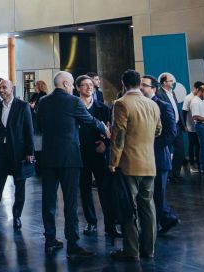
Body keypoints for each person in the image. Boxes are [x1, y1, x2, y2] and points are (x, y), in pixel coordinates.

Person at [37, 71, 106, 257]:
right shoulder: (73, 101)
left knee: (49, 200)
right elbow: (90, 121)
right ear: (67, 84)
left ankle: (50, 239)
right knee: (70, 201)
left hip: (49, 157)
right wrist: (105, 128)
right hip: (69, 157)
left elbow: (41, 126)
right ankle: (73, 243)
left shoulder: (43, 102)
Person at [109, 69, 161, 262]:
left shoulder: (121, 104)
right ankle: (149, 248)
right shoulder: (152, 104)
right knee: (148, 207)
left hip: (129, 164)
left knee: (128, 208)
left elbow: (119, 136)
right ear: (140, 83)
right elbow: (158, 130)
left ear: (123, 84)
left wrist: (113, 161)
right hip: (149, 162)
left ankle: (132, 250)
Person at [0, 79, 35, 231]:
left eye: (5, 87)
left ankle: (17, 216)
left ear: (12, 89)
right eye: (0, 88)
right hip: (0, 153)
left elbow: (28, 130)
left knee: (20, 186)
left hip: (18, 152)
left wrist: (29, 152)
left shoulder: (22, 106)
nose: (2, 90)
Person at [75, 75, 116, 237]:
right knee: (85, 189)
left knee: (105, 189)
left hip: (99, 152)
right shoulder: (74, 107)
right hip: (81, 153)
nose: (89, 87)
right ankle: (91, 222)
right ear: (78, 88)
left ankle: (110, 224)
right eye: (85, 85)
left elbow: (109, 130)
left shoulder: (102, 108)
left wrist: (105, 144)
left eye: (91, 85)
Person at [144, 73, 181, 234]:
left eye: (144, 85)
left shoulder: (163, 105)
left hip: (158, 157)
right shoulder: (142, 104)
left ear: (153, 88)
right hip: (144, 158)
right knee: (151, 194)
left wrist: (151, 146)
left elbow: (171, 132)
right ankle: (167, 218)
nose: (140, 87)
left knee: (158, 193)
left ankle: (156, 226)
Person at [183, 81, 204, 170]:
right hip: (191, 125)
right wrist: (184, 125)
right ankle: (191, 163)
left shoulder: (199, 97)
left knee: (198, 144)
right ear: (194, 88)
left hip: (199, 125)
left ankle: (199, 162)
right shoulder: (188, 98)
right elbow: (184, 112)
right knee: (192, 144)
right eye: (199, 89)